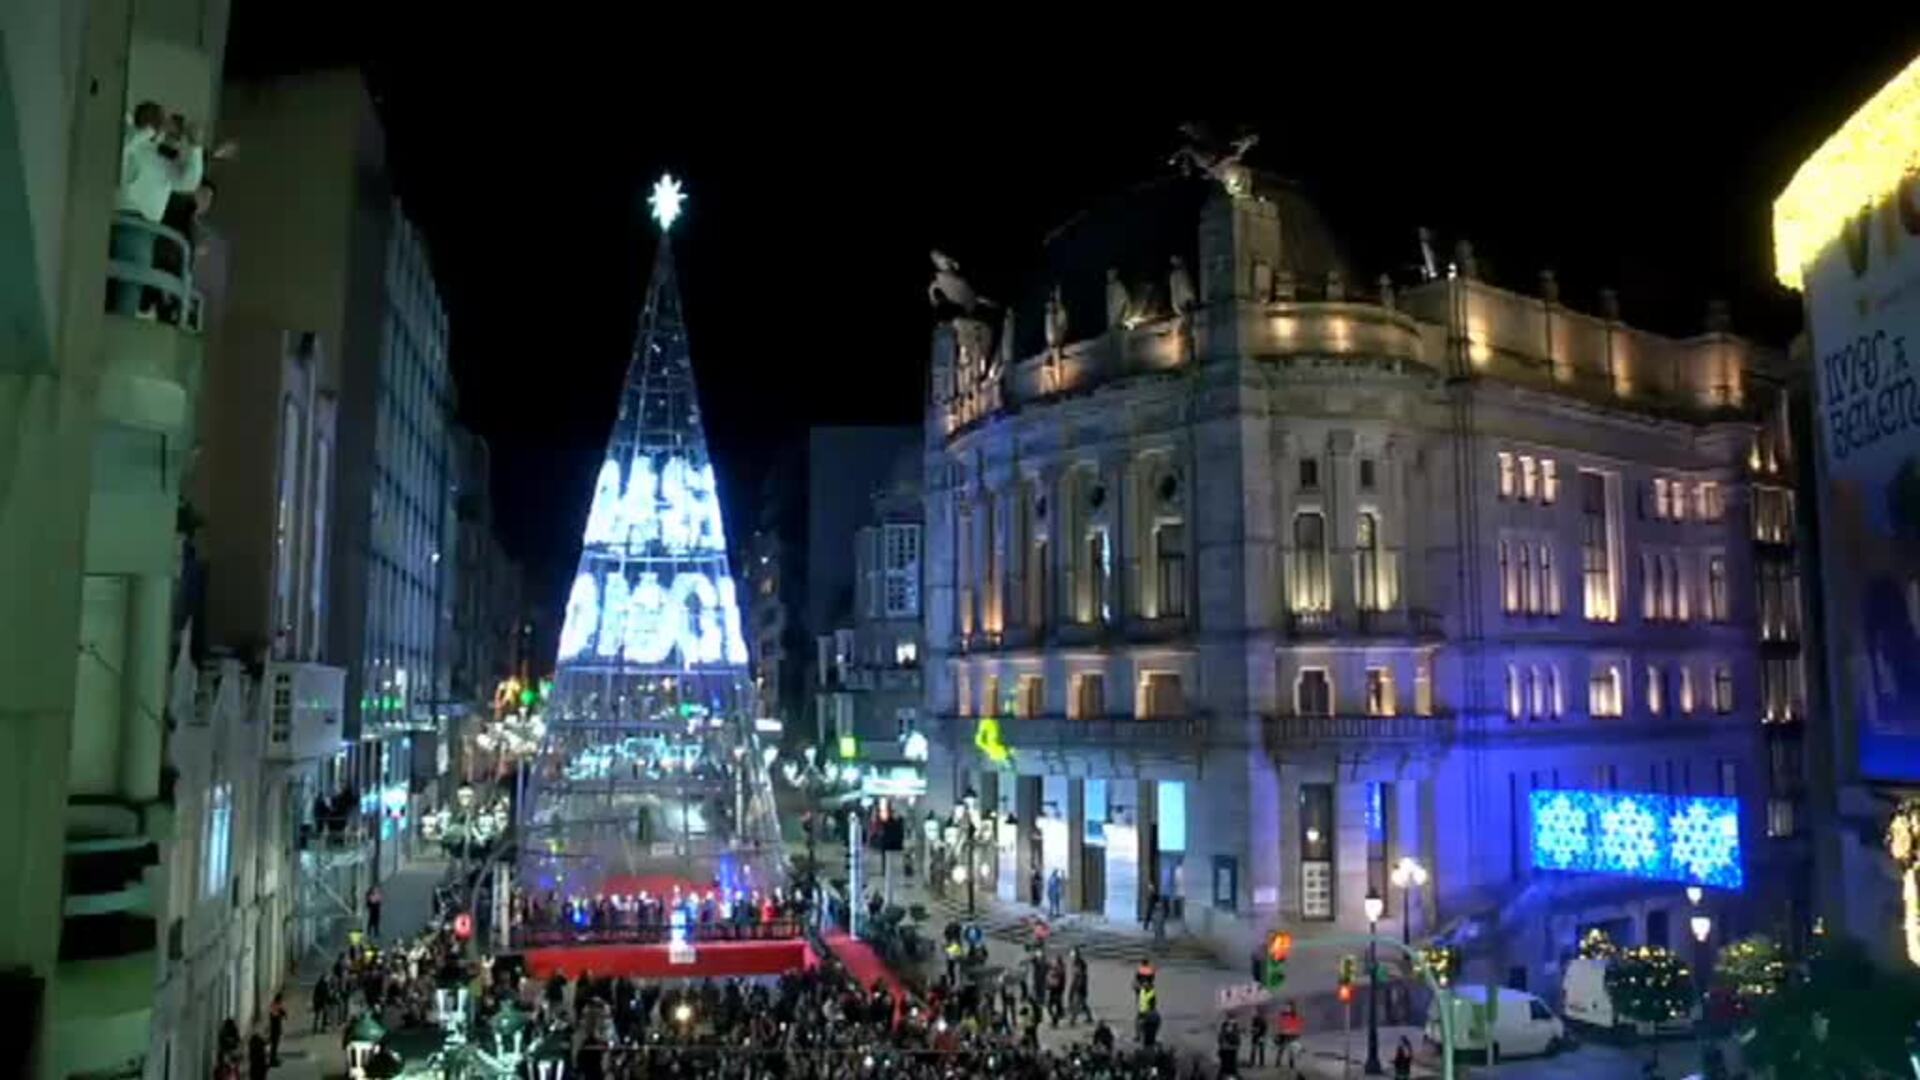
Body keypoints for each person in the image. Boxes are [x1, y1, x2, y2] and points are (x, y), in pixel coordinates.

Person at [1068, 948, 1092, 1025]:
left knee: (1077, 1004)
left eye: (1073, 955)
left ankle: (1073, 1020)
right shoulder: (1074, 963)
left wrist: (1079, 986)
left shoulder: (1080, 964)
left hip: (1080, 987)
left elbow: (1081, 977)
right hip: (1076, 986)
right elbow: (1074, 976)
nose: (1072, 957)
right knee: (1083, 1003)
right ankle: (1089, 1017)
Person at [267, 991, 287, 1064]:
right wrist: (281, 1013)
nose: (281, 1001)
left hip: (276, 1027)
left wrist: (282, 1013)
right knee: (274, 1045)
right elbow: (275, 1016)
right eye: (281, 1000)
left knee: (275, 1044)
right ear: (278, 999)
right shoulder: (274, 1005)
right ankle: (272, 1060)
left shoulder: (277, 1005)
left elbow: (282, 1013)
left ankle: (274, 1058)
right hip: (274, 1028)